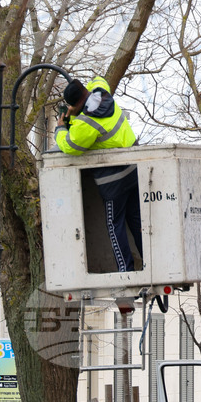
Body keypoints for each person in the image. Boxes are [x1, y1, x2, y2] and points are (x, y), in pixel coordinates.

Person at [55, 77, 142, 272]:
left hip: (113, 181)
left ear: (75, 104)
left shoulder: (85, 122)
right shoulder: (101, 92)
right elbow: (99, 79)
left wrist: (61, 127)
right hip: (133, 169)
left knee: (114, 225)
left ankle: (125, 270)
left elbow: (70, 146)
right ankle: (150, 262)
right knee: (136, 220)